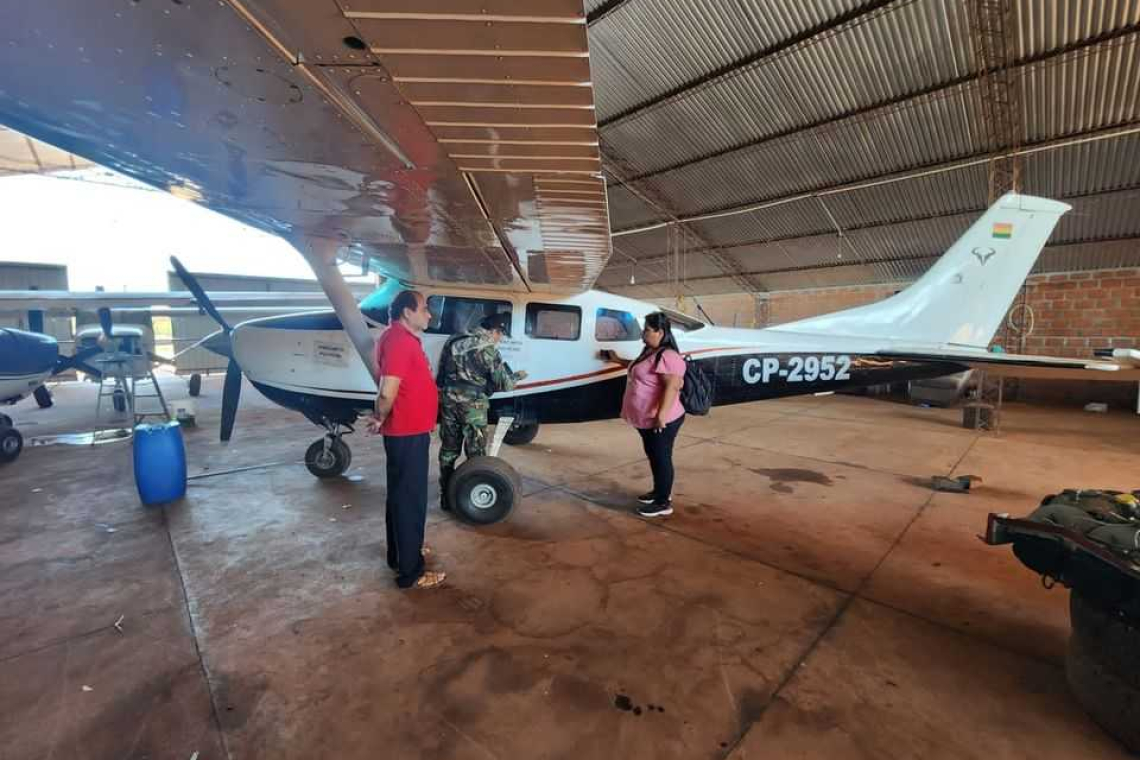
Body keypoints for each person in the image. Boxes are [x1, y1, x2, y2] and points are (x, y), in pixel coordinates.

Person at [366, 290, 446, 589]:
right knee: (410, 498)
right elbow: (387, 390)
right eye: (424, 309)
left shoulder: (399, 338)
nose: (429, 314)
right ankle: (411, 571)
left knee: (401, 496)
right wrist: (379, 416)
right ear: (407, 313)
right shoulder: (399, 340)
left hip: (409, 430)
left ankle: (401, 553)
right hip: (407, 432)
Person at [437, 311, 527, 508]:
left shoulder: (454, 340)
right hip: (473, 407)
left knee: (448, 450)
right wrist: (518, 376)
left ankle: (445, 496)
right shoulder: (488, 350)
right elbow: (504, 385)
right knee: (475, 454)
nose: (500, 339)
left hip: (449, 402)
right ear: (494, 331)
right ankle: (467, 497)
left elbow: (440, 375)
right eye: (500, 335)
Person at [601, 312, 685, 517]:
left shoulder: (668, 356)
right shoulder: (649, 351)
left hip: (662, 419)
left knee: (661, 457)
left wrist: (661, 416)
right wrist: (617, 359)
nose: (643, 334)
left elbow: (672, 387)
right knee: (654, 455)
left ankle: (663, 502)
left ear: (660, 332)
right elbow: (639, 369)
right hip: (647, 419)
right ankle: (659, 491)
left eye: (647, 330)